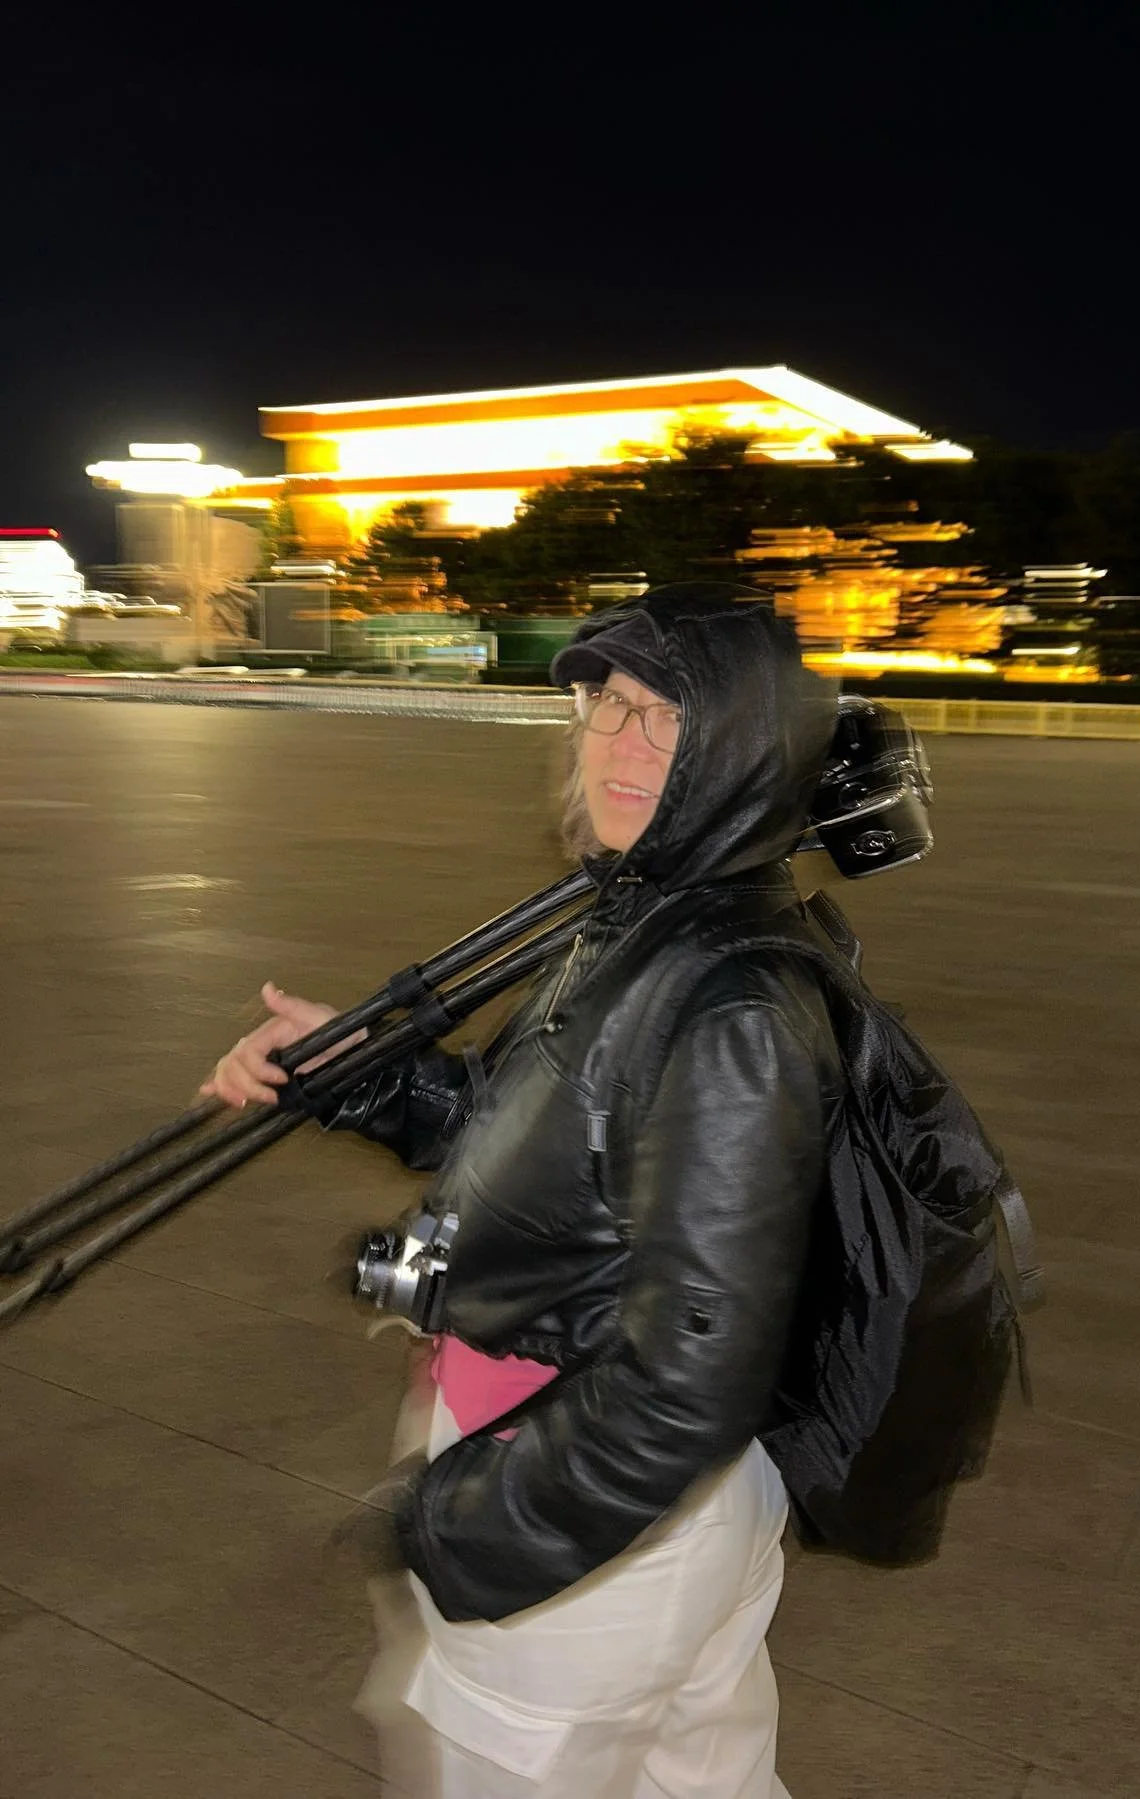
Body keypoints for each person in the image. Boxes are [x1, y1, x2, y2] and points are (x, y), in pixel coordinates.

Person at [202, 582, 844, 1799]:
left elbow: (690, 1370)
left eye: (669, 715)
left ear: (746, 749)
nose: (620, 740)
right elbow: (539, 1140)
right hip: (655, 1508)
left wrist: (467, 1517)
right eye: (609, 703)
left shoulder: (728, 1004)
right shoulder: (646, 918)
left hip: (595, 1526)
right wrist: (358, 1069)